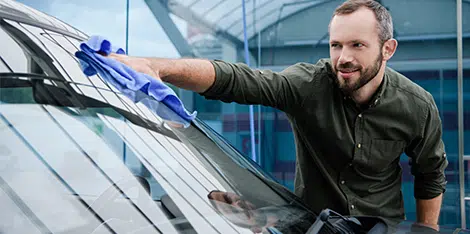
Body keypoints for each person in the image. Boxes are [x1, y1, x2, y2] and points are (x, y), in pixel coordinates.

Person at [107, 0, 448, 230]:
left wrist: (427, 232)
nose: (343, 57)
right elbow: (238, 79)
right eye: (335, 45)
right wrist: (158, 68)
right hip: (312, 227)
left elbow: (430, 174)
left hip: (381, 229)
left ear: (387, 49)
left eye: (357, 45)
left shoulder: (417, 106)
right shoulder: (309, 84)